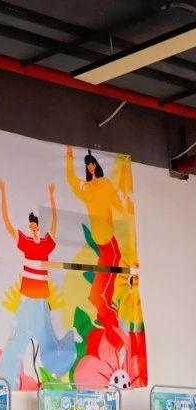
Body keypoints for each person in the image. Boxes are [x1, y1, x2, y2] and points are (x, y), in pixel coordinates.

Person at [0, 179, 76, 386]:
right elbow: (7, 223)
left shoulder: (45, 246)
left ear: (38, 228)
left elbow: (55, 225)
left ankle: (66, 350)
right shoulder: (26, 243)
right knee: (14, 346)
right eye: (30, 226)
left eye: (35, 226)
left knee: (51, 348)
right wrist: (3, 192)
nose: (33, 229)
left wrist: (52, 198)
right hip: (26, 303)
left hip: (40, 304)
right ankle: (4, 383)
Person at [66, 147, 130, 350]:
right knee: (95, 298)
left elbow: (118, 203)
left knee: (100, 298)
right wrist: (69, 156)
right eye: (87, 165)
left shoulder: (105, 184)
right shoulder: (87, 189)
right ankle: (113, 331)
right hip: (102, 245)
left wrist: (123, 203)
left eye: (92, 163)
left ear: (96, 165)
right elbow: (71, 179)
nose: (90, 167)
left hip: (110, 245)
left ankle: (115, 334)